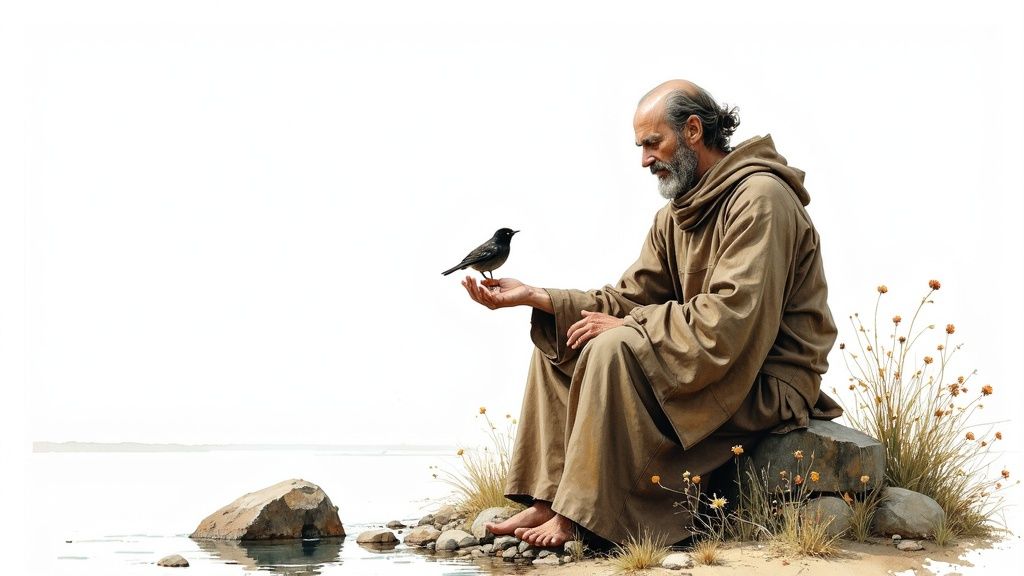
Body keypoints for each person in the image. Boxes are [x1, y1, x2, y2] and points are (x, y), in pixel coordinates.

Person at [460, 79, 841, 547]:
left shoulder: (761, 199)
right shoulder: (676, 214)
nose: (644, 160)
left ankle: (581, 516)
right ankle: (549, 499)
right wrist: (539, 297)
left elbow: (730, 320)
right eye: (640, 147)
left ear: (694, 130)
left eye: (652, 143)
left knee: (614, 346)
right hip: (706, 355)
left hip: (763, 375)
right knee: (565, 340)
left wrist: (631, 327)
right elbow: (632, 297)